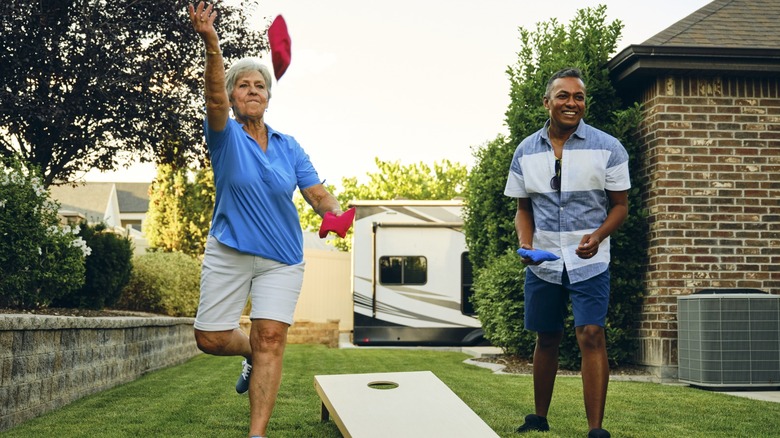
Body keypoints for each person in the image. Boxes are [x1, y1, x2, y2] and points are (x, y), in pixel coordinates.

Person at [188, 3, 345, 438]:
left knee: (272, 339)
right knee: (210, 338)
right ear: (234, 96)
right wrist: (211, 42)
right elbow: (213, 97)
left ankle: (256, 434)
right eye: (244, 85)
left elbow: (316, 193)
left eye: (260, 85)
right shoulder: (223, 135)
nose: (252, 90)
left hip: (281, 257)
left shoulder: (289, 146)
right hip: (230, 249)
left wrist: (334, 213)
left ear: (269, 97)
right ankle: (250, 353)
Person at [504, 68, 630, 438]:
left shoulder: (608, 148)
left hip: (590, 259)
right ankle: (539, 418)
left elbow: (620, 207)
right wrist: (526, 245)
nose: (571, 103)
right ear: (547, 102)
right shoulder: (525, 151)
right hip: (543, 262)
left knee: (591, 333)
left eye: (578, 97)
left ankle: (596, 429)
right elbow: (523, 208)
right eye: (563, 96)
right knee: (546, 336)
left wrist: (598, 235)